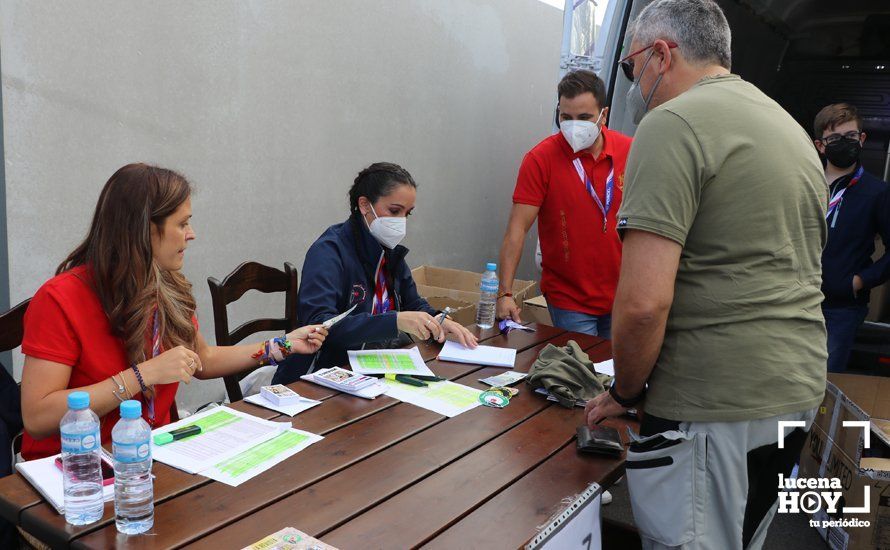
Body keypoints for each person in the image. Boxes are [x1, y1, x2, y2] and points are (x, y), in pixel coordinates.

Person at [584, 1, 827, 548]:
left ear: (660, 54)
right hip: (796, 387)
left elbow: (644, 302)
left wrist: (624, 391)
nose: (630, 84)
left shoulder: (672, 123)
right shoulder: (782, 123)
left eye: (628, 68)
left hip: (714, 399)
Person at [20, 164, 327, 460]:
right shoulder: (60, 299)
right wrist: (142, 375)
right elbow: (38, 416)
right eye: (181, 224)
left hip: (155, 454)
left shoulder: (166, 285)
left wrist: (283, 345)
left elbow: (201, 360)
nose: (191, 234)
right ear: (143, 230)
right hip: (77, 470)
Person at [272, 162, 477, 385]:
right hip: (323, 374)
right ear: (364, 205)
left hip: (377, 371)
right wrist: (394, 321)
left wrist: (437, 319)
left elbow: (413, 303)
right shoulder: (329, 251)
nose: (401, 222)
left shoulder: (388, 251)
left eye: (407, 214)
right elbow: (318, 326)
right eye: (394, 211)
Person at [497, 69, 633, 338]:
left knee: (614, 374)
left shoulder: (630, 151)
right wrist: (505, 293)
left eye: (584, 118)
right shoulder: (541, 159)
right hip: (570, 300)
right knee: (579, 372)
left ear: (603, 115)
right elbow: (517, 229)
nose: (574, 126)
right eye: (565, 117)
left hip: (623, 295)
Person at [813, 103, 890, 373]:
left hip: (841, 309)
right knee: (788, 385)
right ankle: (792, 420)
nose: (844, 143)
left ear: (862, 139)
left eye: (850, 136)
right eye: (834, 138)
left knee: (824, 382)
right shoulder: (805, 184)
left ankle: (822, 419)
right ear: (821, 145)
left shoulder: (877, 192)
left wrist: (859, 281)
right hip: (794, 302)